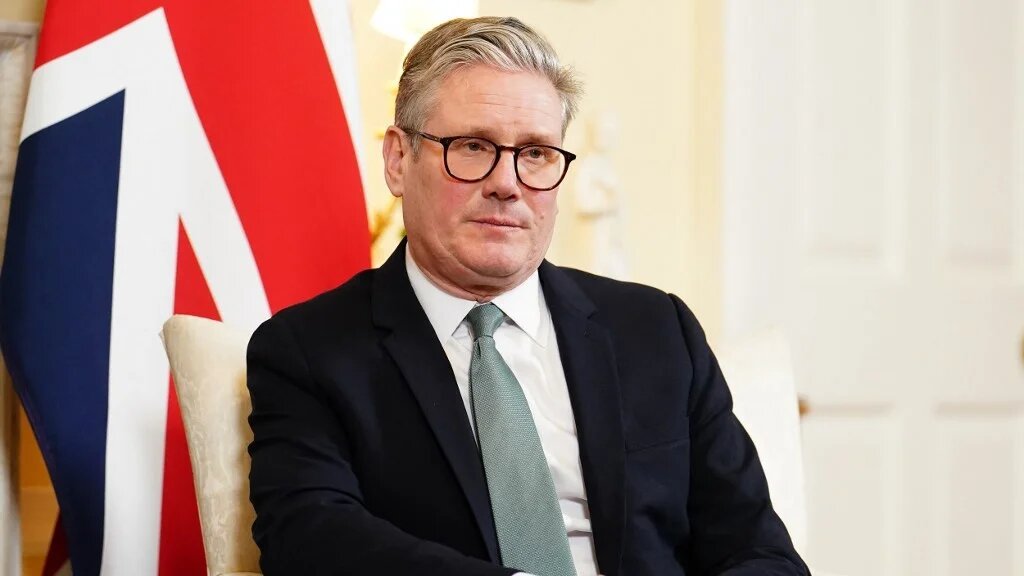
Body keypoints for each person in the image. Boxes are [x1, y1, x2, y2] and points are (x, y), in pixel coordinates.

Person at [246, 16, 809, 576]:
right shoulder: (309, 351)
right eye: (473, 146)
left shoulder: (657, 329)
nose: (508, 183)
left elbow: (759, 551)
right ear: (398, 160)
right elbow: (309, 537)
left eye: (536, 153)